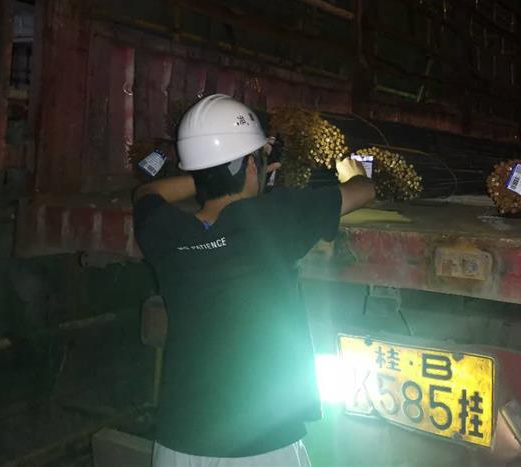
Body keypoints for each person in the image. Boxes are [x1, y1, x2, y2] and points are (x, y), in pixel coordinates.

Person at [133, 94, 375, 467]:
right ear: (250, 165)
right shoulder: (277, 217)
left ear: (196, 172)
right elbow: (364, 191)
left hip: (178, 445)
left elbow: (147, 192)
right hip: (263, 445)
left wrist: (209, 176)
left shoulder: (163, 230)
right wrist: (354, 171)